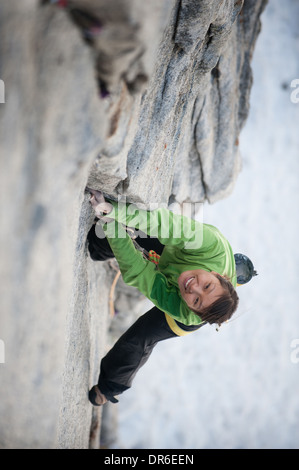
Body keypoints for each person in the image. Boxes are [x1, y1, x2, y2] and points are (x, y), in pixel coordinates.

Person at [85, 189, 250, 406]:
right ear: (218, 275)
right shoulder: (211, 246)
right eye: (208, 285)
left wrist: (110, 223)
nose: (194, 288)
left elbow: (139, 273)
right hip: (187, 252)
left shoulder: (186, 313)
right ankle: (98, 248)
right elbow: (165, 224)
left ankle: (108, 389)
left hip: (182, 299)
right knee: (145, 230)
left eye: (197, 300)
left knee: (140, 337)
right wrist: (112, 211)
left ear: (194, 309)